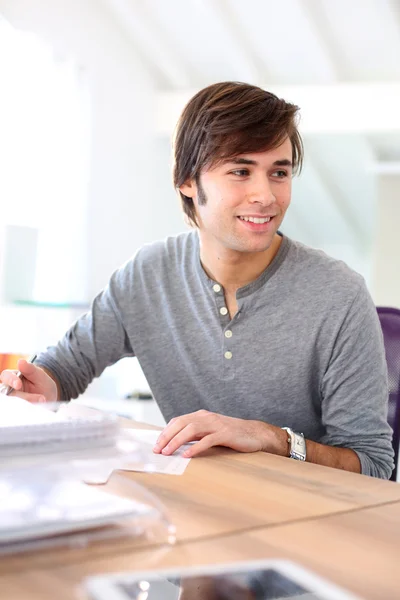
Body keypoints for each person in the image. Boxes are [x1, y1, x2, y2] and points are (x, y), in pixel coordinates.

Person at [0, 82, 394, 479]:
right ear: (187, 180)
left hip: (311, 522)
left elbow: (373, 465)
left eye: (279, 172)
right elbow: (63, 369)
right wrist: (39, 387)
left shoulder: (338, 294)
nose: (266, 195)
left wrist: (269, 437)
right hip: (196, 504)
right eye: (241, 171)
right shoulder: (147, 275)